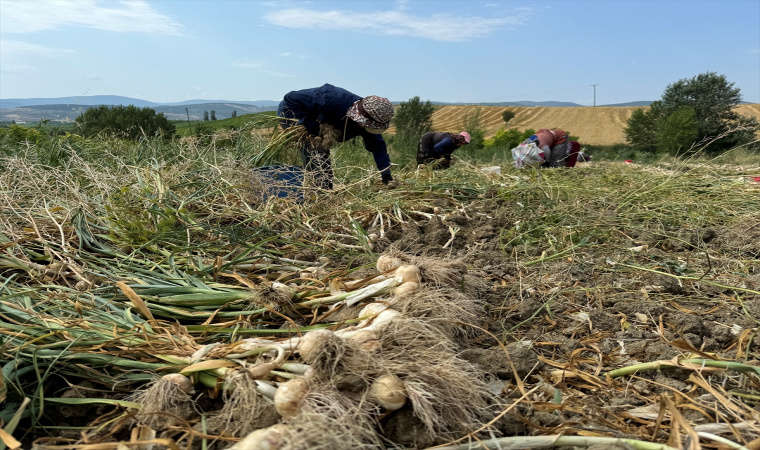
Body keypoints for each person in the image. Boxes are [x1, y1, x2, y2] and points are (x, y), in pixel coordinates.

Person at [277, 84, 395, 190]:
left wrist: (385, 172)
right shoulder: (333, 99)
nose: (366, 128)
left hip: (325, 120)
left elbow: (378, 146)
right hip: (294, 113)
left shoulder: (371, 118)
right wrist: (314, 127)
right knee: (319, 162)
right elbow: (291, 98)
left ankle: (323, 190)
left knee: (322, 165)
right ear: (360, 117)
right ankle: (319, 196)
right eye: (366, 124)